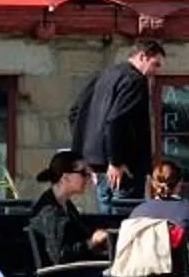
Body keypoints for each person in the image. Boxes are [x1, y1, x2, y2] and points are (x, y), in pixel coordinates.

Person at [69, 40, 163, 211]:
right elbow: (117, 120)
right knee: (123, 224)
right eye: (155, 64)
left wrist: (86, 158)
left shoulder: (105, 75)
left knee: (107, 222)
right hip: (124, 168)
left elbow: (76, 112)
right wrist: (116, 161)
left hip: (100, 166)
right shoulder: (135, 80)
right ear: (142, 57)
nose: (155, 71)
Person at [27, 151, 110, 267]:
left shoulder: (66, 206)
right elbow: (59, 256)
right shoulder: (50, 211)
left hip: (76, 274)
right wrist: (91, 242)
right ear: (65, 178)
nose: (88, 177)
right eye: (83, 173)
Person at [126, 159, 189, 252]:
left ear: (153, 183)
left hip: (141, 265)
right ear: (180, 183)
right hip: (177, 266)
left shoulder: (136, 213)